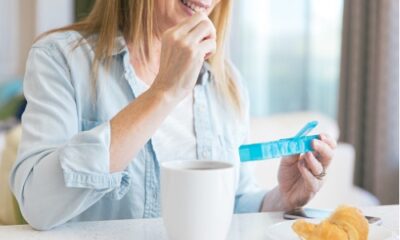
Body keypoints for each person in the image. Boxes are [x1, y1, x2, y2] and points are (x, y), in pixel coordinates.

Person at [10, 0, 336, 230]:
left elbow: (231, 203)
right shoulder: (61, 59)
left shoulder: (227, 82)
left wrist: (281, 199)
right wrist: (163, 92)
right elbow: (38, 205)